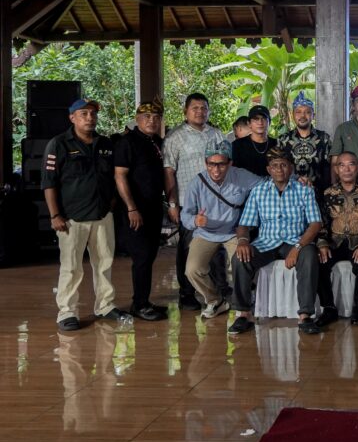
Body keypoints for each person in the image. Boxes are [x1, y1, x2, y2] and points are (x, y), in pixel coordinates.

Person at [43, 99, 126, 331]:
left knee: (105, 263)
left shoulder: (105, 144)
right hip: (71, 218)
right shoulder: (58, 144)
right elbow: (49, 183)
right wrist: (54, 215)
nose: (89, 117)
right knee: (71, 267)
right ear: (72, 117)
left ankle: (106, 305)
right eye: (83, 114)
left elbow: (113, 176)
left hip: (101, 215)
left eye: (92, 114)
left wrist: (111, 204)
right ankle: (67, 312)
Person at [228, 147, 323, 335]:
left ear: (291, 168)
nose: (279, 169)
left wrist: (298, 247)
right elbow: (244, 224)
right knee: (239, 258)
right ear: (268, 170)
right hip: (266, 242)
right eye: (274, 166)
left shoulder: (304, 190)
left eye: (283, 165)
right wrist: (243, 241)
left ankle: (305, 316)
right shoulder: (258, 192)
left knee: (310, 254)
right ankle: (243, 314)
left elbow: (315, 224)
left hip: (294, 241)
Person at [180, 141, 263, 320]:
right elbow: (185, 215)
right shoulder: (197, 183)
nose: (216, 170)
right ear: (205, 163)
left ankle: (245, 302)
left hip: (234, 232)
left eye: (221, 164)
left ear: (230, 163)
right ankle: (215, 300)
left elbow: (267, 184)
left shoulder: (241, 176)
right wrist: (196, 220)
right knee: (192, 269)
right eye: (211, 164)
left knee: (243, 262)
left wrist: (296, 179)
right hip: (205, 233)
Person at [164, 92, 227, 311]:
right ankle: (186, 293)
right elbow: (169, 172)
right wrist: (172, 204)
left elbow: (227, 166)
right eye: (195, 108)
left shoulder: (217, 134)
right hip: (187, 203)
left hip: (217, 202)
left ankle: (220, 290)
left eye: (204, 108)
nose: (200, 112)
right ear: (186, 111)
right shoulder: (175, 137)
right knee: (188, 247)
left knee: (217, 247)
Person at [113, 98, 168, 321]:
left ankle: (144, 300)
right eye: (146, 117)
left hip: (154, 208)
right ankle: (139, 304)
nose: (152, 121)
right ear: (137, 119)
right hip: (136, 210)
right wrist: (131, 208)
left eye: (156, 117)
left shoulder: (156, 142)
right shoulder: (128, 142)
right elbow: (120, 176)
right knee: (142, 256)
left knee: (150, 254)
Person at [315, 151, 358, 327]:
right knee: (319, 262)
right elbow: (321, 221)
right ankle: (329, 308)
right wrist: (322, 243)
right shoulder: (328, 193)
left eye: (351, 164)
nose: (347, 169)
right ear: (336, 169)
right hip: (334, 242)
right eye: (342, 165)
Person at [278, 91, 333, 196]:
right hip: (290, 195)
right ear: (292, 115)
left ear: (313, 115)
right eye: (298, 112)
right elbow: (278, 168)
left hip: (319, 195)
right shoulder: (283, 140)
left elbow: (330, 167)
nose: (302, 116)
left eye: (307, 112)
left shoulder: (323, 138)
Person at [232, 105, 278, 176]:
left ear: (269, 122)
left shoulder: (277, 144)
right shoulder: (237, 146)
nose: (260, 122)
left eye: (264, 118)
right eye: (256, 119)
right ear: (249, 123)